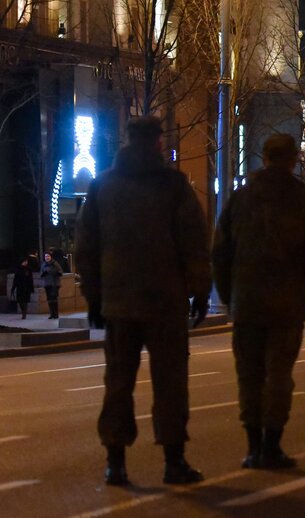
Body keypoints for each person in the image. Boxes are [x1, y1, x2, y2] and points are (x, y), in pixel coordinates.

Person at [75, 116, 211, 487]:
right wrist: (200, 290)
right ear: (157, 142)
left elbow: (86, 248)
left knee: (118, 382)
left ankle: (115, 463)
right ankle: (173, 462)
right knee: (170, 383)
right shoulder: (174, 185)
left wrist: (94, 298)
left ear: (127, 140)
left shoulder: (103, 186)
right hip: (166, 302)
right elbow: (194, 243)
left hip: (119, 303)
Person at [213, 134, 305, 470]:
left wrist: (229, 297)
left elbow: (220, 253)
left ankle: (252, 448)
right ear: (294, 160)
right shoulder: (303, 202)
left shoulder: (240, 199)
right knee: (279, 376)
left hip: (247, 303)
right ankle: (271, 446)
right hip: (286, 305)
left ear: (264, 158)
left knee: (249, 376)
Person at [40, 252, 63, 319]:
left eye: (48, 256)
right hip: (47, 284)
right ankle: (51, 314)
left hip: (54, 284)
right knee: (49, 299)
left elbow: (60, 272)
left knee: (54, 298)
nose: (47, 258)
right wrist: (44, 273)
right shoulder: (43, 264)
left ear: (51, 257)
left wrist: (55, 272)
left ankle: (55, 314)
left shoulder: (55, 263)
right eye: (46, 256)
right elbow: (41, 273)